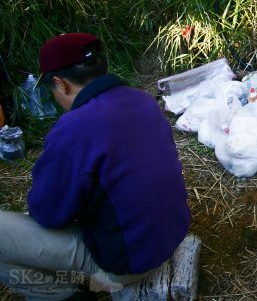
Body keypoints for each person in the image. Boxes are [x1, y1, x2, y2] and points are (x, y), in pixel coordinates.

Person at [0, 33, 191, 300]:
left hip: (127, 263)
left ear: (60, 84)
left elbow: (47, 214)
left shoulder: (74, 128)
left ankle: (62, 296)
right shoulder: (144, 101)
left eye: (52, 90)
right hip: (168, 236)